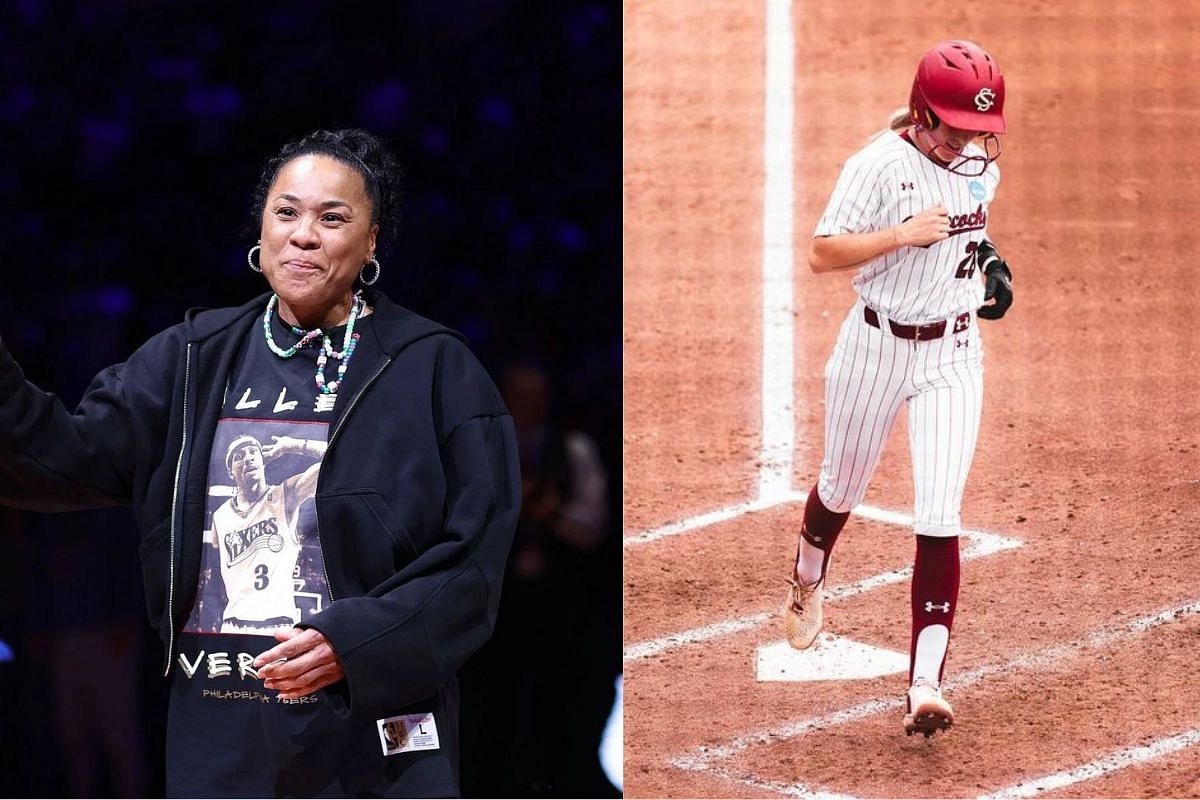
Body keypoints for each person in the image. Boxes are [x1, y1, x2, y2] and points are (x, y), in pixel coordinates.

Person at [0, 128, 520, 796]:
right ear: (261, 228)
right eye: (287, 212)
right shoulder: (192, 357)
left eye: (333, 218)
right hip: (221, 731)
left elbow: (475, 563)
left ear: (371, 243)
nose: (304, 234)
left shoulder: (434, 369)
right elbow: (56, 460)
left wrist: (354, 643)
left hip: (369, 733)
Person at [780, 40, 1014, 738]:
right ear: (921, 113)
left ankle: (925, 686)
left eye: (980, 130)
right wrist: (899, 235)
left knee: (940, 511)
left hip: (954, 354)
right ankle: (806, 578)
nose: (969, 141)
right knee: (842, 486)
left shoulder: (978, 167)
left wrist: (992, 267)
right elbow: (822, 252)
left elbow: (973, 234)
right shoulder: (875, 166)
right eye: (955, 127)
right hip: (875, 347)